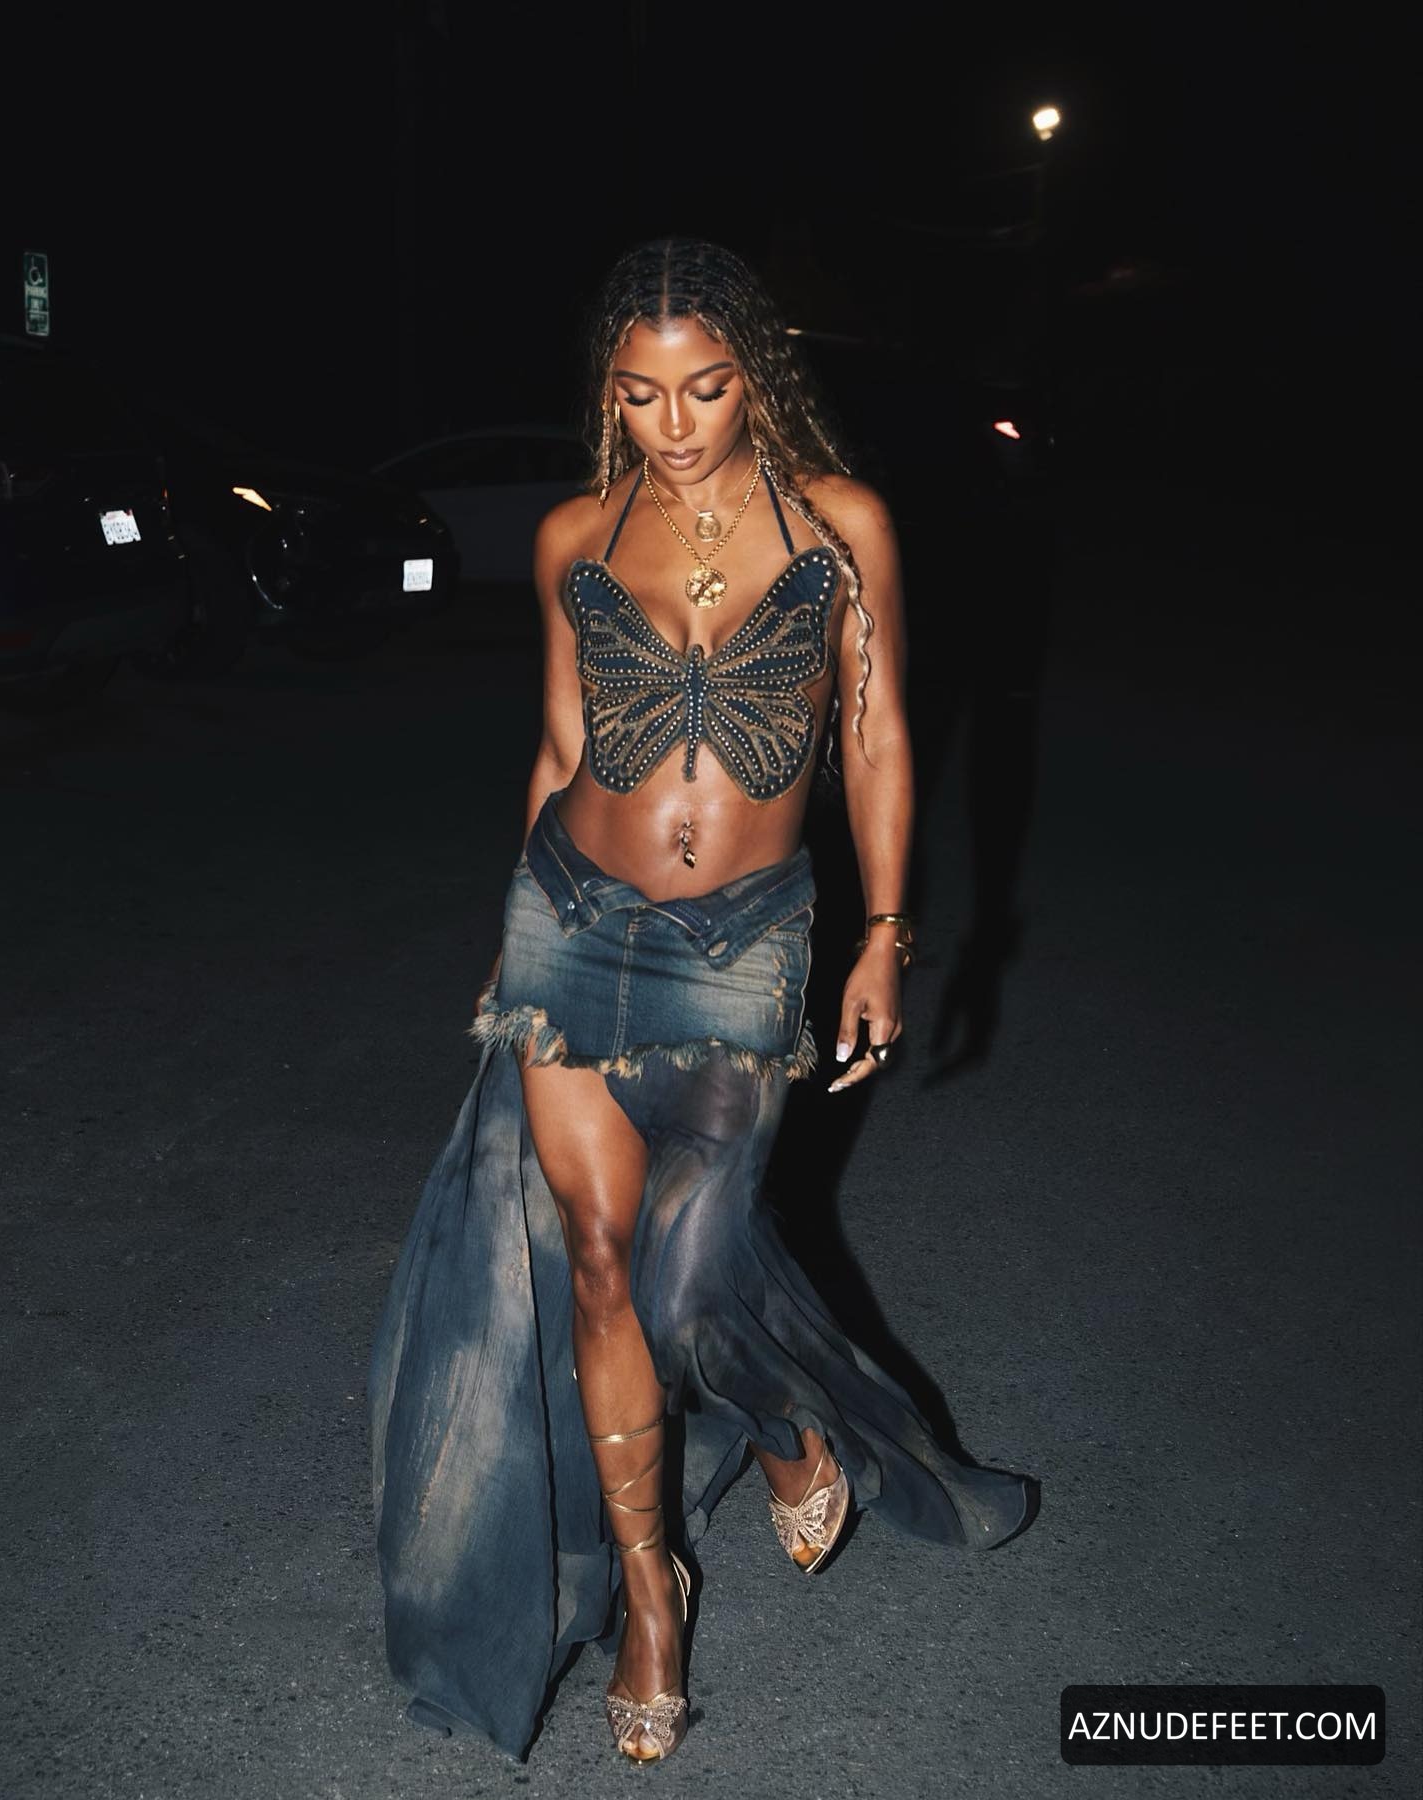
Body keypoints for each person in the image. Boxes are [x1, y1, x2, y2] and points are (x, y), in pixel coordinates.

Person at [368, 237, 1036, 1766]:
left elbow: (874, 735)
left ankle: (795, 1429)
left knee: (688, 1275)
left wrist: (886, 932)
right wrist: (510, 930)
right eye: (640, 393)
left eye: (707, 388)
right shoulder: (576, 533)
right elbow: (559, 743)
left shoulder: (840, 525)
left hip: (743, 938)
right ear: (607, 393)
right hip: (570, 918)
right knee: (602, 1266)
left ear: (758, 378)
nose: (674, 423)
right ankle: (650, 1594)